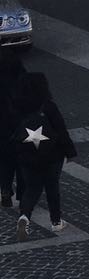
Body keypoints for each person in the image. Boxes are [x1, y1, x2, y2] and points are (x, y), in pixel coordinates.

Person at [11, 71, 76, 238]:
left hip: (27, 155)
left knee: (31, 188)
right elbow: (60, 130)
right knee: (52, 187)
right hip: (52, 154)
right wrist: (69, 151)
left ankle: (24, 216)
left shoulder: (17, 106)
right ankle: (56, 221)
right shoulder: (48, 106)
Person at [0, 50, 23, 208]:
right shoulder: (19, 77)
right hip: (17, 123)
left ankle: (5, 190)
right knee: (20, 160)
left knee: (4, 161)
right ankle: (23, 192)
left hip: (2, 125)